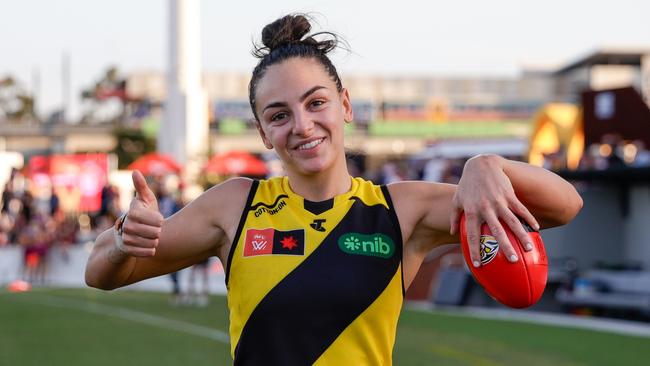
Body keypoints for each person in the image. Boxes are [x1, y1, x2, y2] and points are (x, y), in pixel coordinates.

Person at [85, 14, 583, 365]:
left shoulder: (399, 210)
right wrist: (125, 233)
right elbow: (101, 274)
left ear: (344, 104)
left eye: (315, 102)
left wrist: (486, 165)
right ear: (263, 133)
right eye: (279, 115)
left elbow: (565, 205)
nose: (302, 126)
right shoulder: (237, 205)